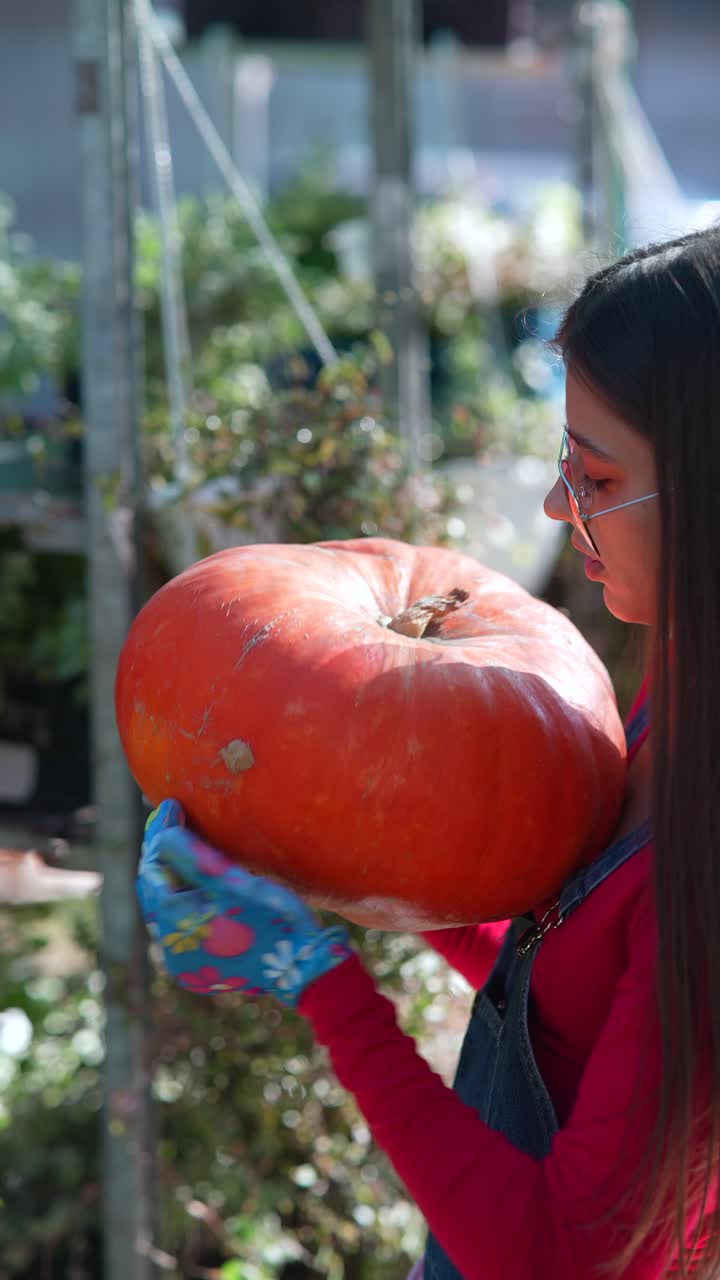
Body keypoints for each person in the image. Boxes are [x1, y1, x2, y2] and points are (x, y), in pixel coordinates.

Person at [136, 223, 720, 1279]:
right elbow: (576, 1011)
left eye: (592, 474)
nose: (556, 505)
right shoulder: (683, 679)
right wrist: (344, 866)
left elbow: (555, 1249)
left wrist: (317, 979)